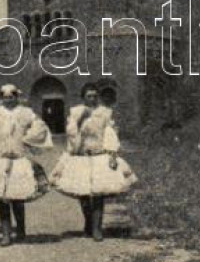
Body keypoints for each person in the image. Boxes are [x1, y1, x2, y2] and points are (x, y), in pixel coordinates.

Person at [49, 82, 138, 241]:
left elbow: (110, 134)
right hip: (82, 156)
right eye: (89, 96)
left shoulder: (105, 113)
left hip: (99, 156)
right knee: (82, 193)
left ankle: (97, 228)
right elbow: (71, 134)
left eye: (95, 96)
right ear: (83, 97)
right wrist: (78, 121)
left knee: (98, 193)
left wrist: (112, 155)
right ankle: (89, 222)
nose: (92, 98)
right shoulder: (76, 112)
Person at [0, 83, 52, 247]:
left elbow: (40, 127)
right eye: (5, 97)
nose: (8, 100)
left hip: (19, 160)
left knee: (18, 198)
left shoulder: (26, 113)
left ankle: (21, 229)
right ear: (1, 98)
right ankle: (6, 234)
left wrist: (28, 139)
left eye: (12, 97)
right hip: (0, 160)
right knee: (2, 198)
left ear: (17, 97)